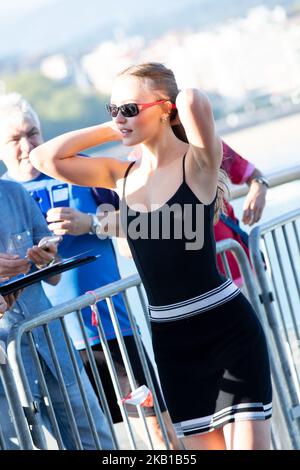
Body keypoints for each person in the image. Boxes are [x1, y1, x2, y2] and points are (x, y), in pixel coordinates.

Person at [30, 62, 272, 450]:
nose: (119, 118)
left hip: (227, 329)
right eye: (112, 109)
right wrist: (120, 123)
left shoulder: (198, 164)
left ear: (165, 109)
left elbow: (194, 100)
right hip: (172, 341)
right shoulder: (122, 175)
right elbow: (46, 159)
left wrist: (159, 107)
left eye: (128, 108)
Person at [0, 93, 179, 449]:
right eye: (14, 139)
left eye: (32, 133)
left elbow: (144, 223)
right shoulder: (11, 194)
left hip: (108, 332)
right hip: (44, 342)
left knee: (154, 430)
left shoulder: (76, 170)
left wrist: (91, 223)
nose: (26, 145)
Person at [0, 179, 113, 450]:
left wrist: (47, 258)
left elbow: (54, 274)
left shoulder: (14, 192)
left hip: (54, 346)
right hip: (6, 366)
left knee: (97, 443)